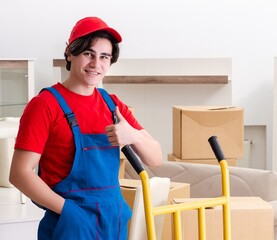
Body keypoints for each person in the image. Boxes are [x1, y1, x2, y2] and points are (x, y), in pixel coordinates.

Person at [9, 16, 163, 240]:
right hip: (70, 224)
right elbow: (19, 173)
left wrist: (132, 136)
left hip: (113, 222)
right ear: (70, 53)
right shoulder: (45, 105)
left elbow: (155, 158)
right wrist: (69, 212)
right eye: (88, 54)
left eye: (104, 57)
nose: (96, 64)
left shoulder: (113, 105)